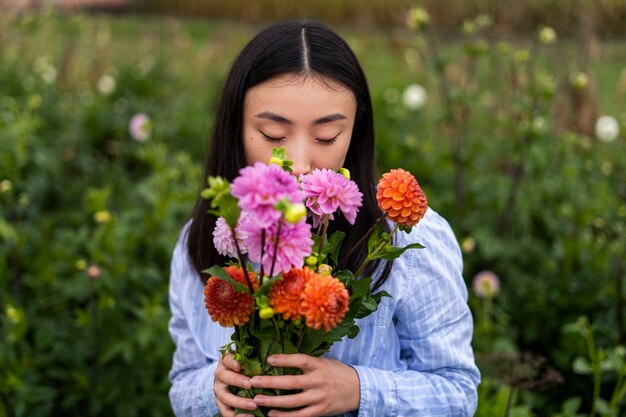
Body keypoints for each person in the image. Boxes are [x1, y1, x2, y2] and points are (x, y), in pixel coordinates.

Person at [168, 20, 480, 417]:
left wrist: (359, 390)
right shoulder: (203, 240)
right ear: (236, 128)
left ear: (355, 132)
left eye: (327, 137)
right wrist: (213, 388)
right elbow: (182, 382)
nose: (299, 164)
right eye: (273, 134)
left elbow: (457, 393)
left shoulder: (407, 243)